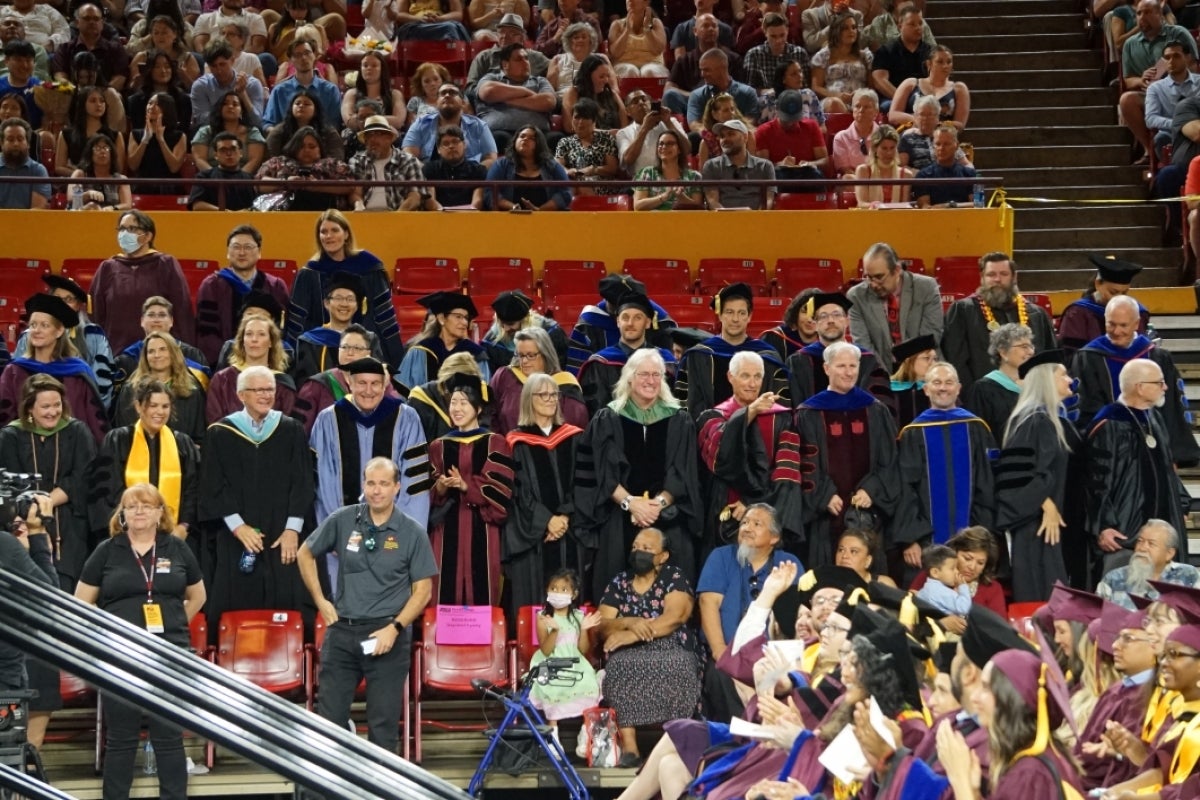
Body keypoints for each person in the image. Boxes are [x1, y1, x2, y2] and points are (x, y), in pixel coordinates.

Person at [296, 457, 435, 754]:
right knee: (328, 726)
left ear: (397, 487)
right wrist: (321, 601)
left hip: (387, 636)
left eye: (384, 484)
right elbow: (305, 553)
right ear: (363, 485)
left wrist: (395, 628)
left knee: (383, 727)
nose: (377, 491)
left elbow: (423, 591)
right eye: (371, 483)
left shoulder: (412, 532)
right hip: (342, 634)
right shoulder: (343, 519)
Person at [75, 483, 205, 800]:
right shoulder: (107, 550)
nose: (139, 511)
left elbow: (197, 595)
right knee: (121, 737)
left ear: (161, 512)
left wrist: (175, 624)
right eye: (132, 506)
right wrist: (108, 633)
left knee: (169, 737)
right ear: (122, 514)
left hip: (169, 655)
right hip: (121, 656)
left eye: (147, 505)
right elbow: (81, 601)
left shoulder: (176, 548)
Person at [860, 604, 1036, 800]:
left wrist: (893, 757)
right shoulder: (950, 721)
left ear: (968, 673)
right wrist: (883, 768)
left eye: (958, 654)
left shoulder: (996, 742)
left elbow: (951, 794)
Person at [199, 366, 315, 638]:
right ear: (241, 395)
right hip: (236, 536)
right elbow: (213, 485)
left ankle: (289, 666)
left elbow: (303, 483)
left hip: (282, 535)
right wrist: (239, 528)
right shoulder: (220, 432)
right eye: (258, 390)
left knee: (287, 599)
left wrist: (292, 530)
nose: (266, 395)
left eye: (270, 390)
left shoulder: (291, 430)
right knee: (237, 598)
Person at [575, 348, 702, 597]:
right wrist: (631, 504)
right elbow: (601, 471)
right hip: (619, 514)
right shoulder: (608, 418)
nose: (651, 380)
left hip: (667, 513)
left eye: (657, 375)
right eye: (644, 374)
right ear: (630, 377)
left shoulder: (679, 419)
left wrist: (656, 505)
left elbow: (685, 472)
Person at [597, 528, 701, 769]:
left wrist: (633, 635)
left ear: (662, 556)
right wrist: (627, 622)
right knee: (619, 666)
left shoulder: (673, 577)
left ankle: (675, 742)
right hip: (627, 651)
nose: (638, 552)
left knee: (679, 664)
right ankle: (631, 749)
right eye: (635, 547)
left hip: (670, 642)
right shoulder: (620, 582)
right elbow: (602, 625)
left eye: (646, 548)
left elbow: (676, 616)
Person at [794, 341, 898, 567]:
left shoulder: (875, 409)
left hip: (868, 513)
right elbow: (804, 461)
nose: (848, 372)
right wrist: (823, 495)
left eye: (853, 366)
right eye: (841, 366)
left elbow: (889, 459)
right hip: (827, 514)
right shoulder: (809, 413)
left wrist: (872, 489)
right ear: (826, 368)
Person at [1084, 358, 1190, 577]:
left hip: (1163, 522)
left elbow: (1167, 467)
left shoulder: (1154, 418)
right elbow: (1095, 480)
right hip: (1125, 527)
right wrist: (1103, 525)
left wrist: (1180, 503)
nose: (1166, 387)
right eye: (1159, 383)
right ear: (1140, 388)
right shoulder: (1109, 423)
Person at [892, 360, 995, 582]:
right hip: (925, 541)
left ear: (958, 388)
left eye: (949, 382)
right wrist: (911, 538)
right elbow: (905, 488)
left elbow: (986, 485)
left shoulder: (976, 427)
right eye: (936, 382)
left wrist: (980, 537)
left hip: (971, 540)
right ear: (925, 389)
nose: (943, 388)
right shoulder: (913, 432)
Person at [696, 503, 801, 721]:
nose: (746, 528)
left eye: (756, 523)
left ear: (773, 538)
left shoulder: (788, 563)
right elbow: (708, 603)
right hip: (726, 654)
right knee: (718, 676)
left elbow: (797, 615)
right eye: (744, 522)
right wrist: (720, 652)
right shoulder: (721, 557)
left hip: (772, 656)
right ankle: (740, 739)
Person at [696, 351, 802, 555]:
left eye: (757, 377)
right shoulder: (713, 417)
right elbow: (720, 459)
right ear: (730, 377)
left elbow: (786, 474)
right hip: (723, 513)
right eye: (745, 376)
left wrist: (752, 505)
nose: (752, 384)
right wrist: (750, 412)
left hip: (769, 513)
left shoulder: (782, 418)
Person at [1072, 296, 1198, 465]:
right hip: (1110, 452)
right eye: (1111, 324)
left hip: (1155, 449)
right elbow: (1086, 407)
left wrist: (1174, 455)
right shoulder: (1088, 357)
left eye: (1123, 325)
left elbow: (1172, 407)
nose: (1116, 331)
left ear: (1136, 323)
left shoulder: (1157, 357)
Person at [994, 349, 1077, 602]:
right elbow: (1016, 474)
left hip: (1048, 521)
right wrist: (1047, 504)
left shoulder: (1050, 420)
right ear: (1047, 381)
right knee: (1043, 594)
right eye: (1063, 375)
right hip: (1037, 524)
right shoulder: (1034, 420)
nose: (1070, 380)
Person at [310, 357, 430, 531]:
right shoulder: (328, 419)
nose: (368, 390)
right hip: (343, 534)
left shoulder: (406, 418)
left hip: (393, 534)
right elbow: (323, 480)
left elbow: (414, 481)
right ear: (350, 384)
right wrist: (335, 530)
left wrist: (402, 531)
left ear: (384, 386)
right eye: (361, 383)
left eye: (375, 383)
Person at [0, 373, 95, 592]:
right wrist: (29, 516)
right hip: (22, 525)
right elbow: (8, 483)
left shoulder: (77, 432)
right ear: (29, 408)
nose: (53, 412)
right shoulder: (10, 436)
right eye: (45, 406)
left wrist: (46, 503)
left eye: (57, 404)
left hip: (70, 527)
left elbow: (82, 477)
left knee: (65, 590)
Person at [503, 374, 590, 611]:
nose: (551, 399)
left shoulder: (575, 436)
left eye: (554, 394)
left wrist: (564, 517)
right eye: (543, 394)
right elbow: (517, 491)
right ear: (529, 399)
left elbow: (583, 484)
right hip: (535, 538)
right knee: (536, 599)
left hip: (570, 531)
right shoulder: (514, 442)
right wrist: (546, 521)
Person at [89, 378, 200, 561]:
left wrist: (183, 527)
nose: (159, 412)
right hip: (126, 538)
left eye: (165, 406)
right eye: (153, 405)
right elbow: (107, 491)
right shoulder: (117, 440)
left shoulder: (182, 443)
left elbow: (192, 489)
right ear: (138, 406)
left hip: (174, 539)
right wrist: (129, 528)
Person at [428, 373, 513, 606]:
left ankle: (483, 641)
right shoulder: (438, 446)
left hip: (483, 527)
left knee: (483, 584)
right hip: (446, 529)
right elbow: (427, 490)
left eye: (464, 402)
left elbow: (500, 489)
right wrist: (441, 488)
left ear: (477, 408)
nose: (457, 408)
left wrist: (466, 486)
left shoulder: (495, 442)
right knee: (444, 584)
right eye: (453, 402)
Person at [285, 209, 404, 369]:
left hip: (363, 347)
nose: (329, 236)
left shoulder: (369, 266)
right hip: (321, 351)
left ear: (346, 234)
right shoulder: (310, 272)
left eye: (335, 230)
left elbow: (384, 317)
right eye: (323, 232)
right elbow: (298, 321)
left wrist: (389, 355)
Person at [941, 253, 1057, 393]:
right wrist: (974, 396)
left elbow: (1049, 359)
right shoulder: (963, 311)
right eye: (991, 274)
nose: (997, 279)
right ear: (982, 278)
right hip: (983, 396)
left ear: (1014, 277)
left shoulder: (1037, 314)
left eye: (1003, 274)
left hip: (1031, 394)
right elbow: (956, 361)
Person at [0, 294, 107, 443]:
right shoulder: (14, 371)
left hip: (72, 451)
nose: (36, 330)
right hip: (25, 453)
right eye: (33, 325)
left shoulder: (78, 372)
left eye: (44, 325)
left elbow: (95, 423)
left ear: (59, 331)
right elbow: (5, 419)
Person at [677, 283, 788, 419]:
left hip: (758, 436)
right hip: (708, 434)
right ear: (720, 315)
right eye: (729, 312)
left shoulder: (767, 357)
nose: (735, 319)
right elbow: (687, 404)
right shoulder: (698, 356)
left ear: (749, 316)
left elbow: (779, 405)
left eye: (741, 313)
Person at [90, 211, 193, 355]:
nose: (125, 234)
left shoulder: (165, 264)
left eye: (131, 229)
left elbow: (181, 310)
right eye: (121, 229)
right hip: (115, 354)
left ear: (148, 236)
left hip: (158, 353)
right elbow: (97, 314)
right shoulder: (107, 268)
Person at [14, 273, 116, 409]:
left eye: (69, 299)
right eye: (57, 298)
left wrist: (89, 415)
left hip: (79, 414)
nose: (62, 304)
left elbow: (102, 383)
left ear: (79, 305)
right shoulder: (29, 337)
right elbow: (17, 382)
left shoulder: (93, 335)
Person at [195, 225, 291, 366]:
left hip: (267, 364)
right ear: (228, 252)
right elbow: (207, 334)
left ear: (259, 252)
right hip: (225, 364)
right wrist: (229, 363)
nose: (241, 252)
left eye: (248, 247)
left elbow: (281, 330)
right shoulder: (211, 286)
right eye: (236, 247)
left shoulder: (275, 286)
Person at [529, 568, 602, 745]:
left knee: (589, 684)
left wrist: (584, 629)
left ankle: (586, 735)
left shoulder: (578, 616)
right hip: (550, 662)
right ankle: (553, 739)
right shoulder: (542, 617)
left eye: (563, 589)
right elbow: (546, 650)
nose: (557, 593)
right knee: (551, 687)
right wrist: (554, 630)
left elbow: (583, 649)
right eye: (554, 588)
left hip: (575, 662)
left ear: (574, 594)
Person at [577, 290, 676, 416]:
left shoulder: (665, 361)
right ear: (618, 322)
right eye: (625, 317)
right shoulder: (600, 363)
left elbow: (672, 406)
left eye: (637, 318)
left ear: (648, 323)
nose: (630, 323)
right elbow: (596, 411)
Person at [846, 242, 942, 372]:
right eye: (868, 277)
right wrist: (886, 381)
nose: (873, 284)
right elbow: (864, 346)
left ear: (897, 270)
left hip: (926, 371)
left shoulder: (926, 288)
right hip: (881, 372)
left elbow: (930, 338)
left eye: (879, 277)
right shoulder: (857, 297)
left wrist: (907, 374)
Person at [785, 291, 889, 403]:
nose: (830, 321)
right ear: (814, 325)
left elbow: (878, 408)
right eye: (823, 316)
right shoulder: (798, 361)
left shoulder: (867, 359)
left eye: (837, 315)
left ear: (847, 321)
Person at [110, 333, 208, 445]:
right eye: (151, 351)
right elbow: (123, 433)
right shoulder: (131, 390)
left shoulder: (191, 391)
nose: (157, 355)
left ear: (173, 353)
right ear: (145, 357)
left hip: (181, 457)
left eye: (163, 349)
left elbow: (199, 436)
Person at [488, 327, 586, 436]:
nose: (524, 361)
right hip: (509, 448)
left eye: (531, 355)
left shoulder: (565, 384)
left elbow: (576, 422)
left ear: (545, 354)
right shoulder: (505, 377)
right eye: (520, 355)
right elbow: (489, 415)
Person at [1057, 254, 1149, 363]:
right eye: (1113, 292)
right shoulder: (1078, 312)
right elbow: (1070, 357)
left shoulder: (1135, 312)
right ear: (1097, 284)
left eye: (1124, 293)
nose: (1118, 298)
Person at [205, 313, 297, 423]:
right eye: (249, 334)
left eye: (261, 334)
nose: (254, 339)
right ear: (242, 341)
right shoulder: (222, 380)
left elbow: (287, 426)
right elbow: (214, 424)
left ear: (271, 342)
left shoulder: (283, 384)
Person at [397, 291, 491, 390]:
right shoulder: (420, 351)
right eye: (458, 316)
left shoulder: (475, 354)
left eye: (466, 318)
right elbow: (404, 392)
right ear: (442, 319)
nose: (464, 322)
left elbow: (483, 394)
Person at [1097, 519, 1199, 609]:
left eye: (1151, 543)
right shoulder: (1113, 578)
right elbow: (1094, 618)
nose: (1142, 548)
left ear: (1169, 553)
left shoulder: (1189, 576)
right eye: (1140, 541)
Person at [475, 43, 558, 154]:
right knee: (498, 139)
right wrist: (526, 93)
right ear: (505, 65)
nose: (525, 62)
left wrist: (506, 99)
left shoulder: (540, 81)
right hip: (501, 132)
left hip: (537, 133)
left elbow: (548, 101)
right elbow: (488, 92)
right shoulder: (492, 78)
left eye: (526, 58)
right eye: (519, 59)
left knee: (557, 139)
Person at [112, 295, 209, 386]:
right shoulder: (126, 360)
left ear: (171, 321)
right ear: (142, 321)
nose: (156, 320)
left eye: (162, 315)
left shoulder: (193, 356)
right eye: (151, 315)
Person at [962, 322, 1034, 438]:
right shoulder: (983, 390)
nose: (1031, 352)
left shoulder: (1036, 386)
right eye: (1024, 347)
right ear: (1003, 352)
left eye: (1031, 346)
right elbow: (977, 435)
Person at [401, 82, 498, 166]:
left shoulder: (479, 126)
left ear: (463, 102)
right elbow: (408, 156)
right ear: (436, 102)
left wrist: (472, 175)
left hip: (468, 181)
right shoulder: (421, 123)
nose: (447, 95)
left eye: (452, 93)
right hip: (427, 180)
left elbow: (491, 159)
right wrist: (427, 175)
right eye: (443, 93)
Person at [348, 115, 427, 212]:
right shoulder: (357, 160)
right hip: (366, 216)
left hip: (398, 215)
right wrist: (359, 205)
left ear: (389, 138)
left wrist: (396, 217)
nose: (372, 140)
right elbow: (355, 192)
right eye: (369, 136)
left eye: (378, 134)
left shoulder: (408, 160)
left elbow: (415, 196)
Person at [188, 39, 265, 132]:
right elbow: (201, 120)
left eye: (222, 64)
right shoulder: (200, 86)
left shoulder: (252, 84)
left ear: (232, 60)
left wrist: (243, 94)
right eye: (214, 66)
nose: (219, 70)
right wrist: (231, 116)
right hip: (213, 133)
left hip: (244, 133)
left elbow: (257, 122)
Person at [262, 38, 341, 128]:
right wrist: (278, 135)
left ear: (315, 55)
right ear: (290, 60)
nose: (303, 58)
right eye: (297, 55)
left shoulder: (330, 90)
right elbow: (268, 123)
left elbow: (334, 124)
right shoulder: (280, 91)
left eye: (307, 53)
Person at [888, 44, 969, 130]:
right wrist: (921, 120)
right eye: (940, 62)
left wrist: (936, 124)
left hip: (942, 136)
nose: (945, 66)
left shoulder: (959, 89)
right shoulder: (911, 84)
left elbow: (960, 124)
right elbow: (893, 115)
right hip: (912, 133)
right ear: (929, 64)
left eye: (949, 62)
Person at [810, 11, 872, 112]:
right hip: (832, 99)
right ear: (836, 31)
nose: (851, 31)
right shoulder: (823, 56)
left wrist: (859, 94)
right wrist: (837, 95)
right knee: (834, 104)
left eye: (854, 27)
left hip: (860, 100)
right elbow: (816, 87)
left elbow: (871, 87)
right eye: (845, 28)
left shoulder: (865, 56)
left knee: (865, 105)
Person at [631, 128, 703, 210]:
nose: (664, 147)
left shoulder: (694, 177)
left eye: (670, 143)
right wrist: (664, 196)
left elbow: (698, 209)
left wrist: (681, 197)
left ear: (679, 149)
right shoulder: (647, 173)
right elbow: (638, 206)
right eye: (661, 144)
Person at [340, 50, 406, 136]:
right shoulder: (351, 94)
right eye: (365, 65)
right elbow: (348, 120)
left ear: (382, 69)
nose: (369, 68)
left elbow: (398, 121)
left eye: (374, 65)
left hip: (386, 136)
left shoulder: (395, 94)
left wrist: (364, 119)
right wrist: (379, 120)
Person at [66, 132, 131, 214]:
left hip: (111, 219)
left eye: (106, 148)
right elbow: (71, 199)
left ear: (112, 154)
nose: (102, 151)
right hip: (84, 217)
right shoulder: (80, 174)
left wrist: (112, 208)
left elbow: (127, 205)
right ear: (90, 154)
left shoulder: (121, 179)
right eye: (97, 148)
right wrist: (88, 194)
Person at [913, 125, 976, 208]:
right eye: (938, 144)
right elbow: (925, 208)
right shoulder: (923, 176)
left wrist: (949, 205)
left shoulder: (969, 174)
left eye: (946, 144)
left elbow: (977, 204)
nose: (941, 148)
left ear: (956, 145)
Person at [885, 333, 936, 428]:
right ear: (910, 362)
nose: (932, 363)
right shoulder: (888, 392)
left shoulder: (938, 390)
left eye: (934, 359)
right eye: (927, 358)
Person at [0, 117, 48, 209]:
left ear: (28, 143)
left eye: (20, 139)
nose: (16, 144)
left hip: (28, 222)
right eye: (10, 139)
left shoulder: (38, 171)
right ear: (1, 144)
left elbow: (37, 210)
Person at [761, 288, 820, 362]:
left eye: (815, 314)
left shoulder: (830, 341)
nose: (809, 320)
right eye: (804, 312)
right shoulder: (775, 337)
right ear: (796, 313)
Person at [914, 544, 972, 616]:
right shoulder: (940, 591)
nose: (957, 572)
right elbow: (963, 608)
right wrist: (963, 587)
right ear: (935, 572)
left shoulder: (926, 590)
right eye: (952, 568)